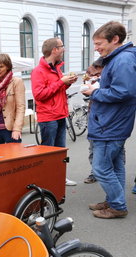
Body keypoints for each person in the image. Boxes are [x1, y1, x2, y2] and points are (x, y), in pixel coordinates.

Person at [81, 21, 136, 219]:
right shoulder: (120, 58)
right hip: (113, 123)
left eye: (98, 43)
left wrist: (95, 92)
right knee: (115, 166)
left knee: (101, 169)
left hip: (109, 125)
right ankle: (113, 201)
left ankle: (118, 206)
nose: (95, 48)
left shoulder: (122, 60)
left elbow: (123, 92)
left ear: (115, 39)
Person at [31, 37, 78, 186]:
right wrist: (61, 82)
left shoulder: (56, 68)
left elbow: (57, 91)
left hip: (60, 115)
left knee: (60, 151)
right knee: (47, 152)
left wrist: (67, 83)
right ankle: (45, 181)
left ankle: (59, 178)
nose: (64, 49)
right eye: (61, 46)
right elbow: (39, 95)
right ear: (54, 50)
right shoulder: (38, 71)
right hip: (48, 118)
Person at [82, 58, 103, 184]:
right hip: (93, 111)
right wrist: (87, 86)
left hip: (108, 113)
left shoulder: (112, 67)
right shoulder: (91, 68)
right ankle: (94, 172)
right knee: (93, 143)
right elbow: (86, 89)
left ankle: (107, 171)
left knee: (110, 145)